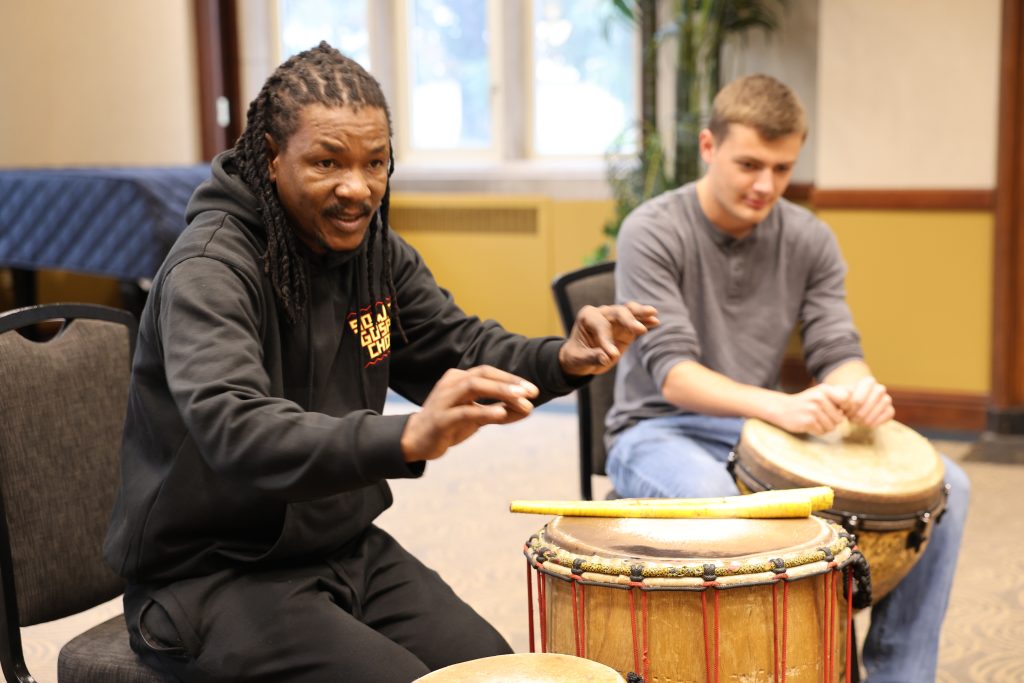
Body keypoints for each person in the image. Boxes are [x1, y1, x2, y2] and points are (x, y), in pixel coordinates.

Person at [103, 42, 657, 683]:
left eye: (376, 163)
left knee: (504, 671)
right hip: (212, 577)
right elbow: (237, 429)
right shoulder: (211, 270)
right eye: (326, 162)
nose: (357, 188)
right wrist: (408, 434)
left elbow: (463, 347)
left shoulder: (373, 254)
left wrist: (564, 357)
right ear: (269, 158)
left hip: (342, 549)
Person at [604, 74, 968, 683]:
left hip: (763, 434)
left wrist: (857, 388)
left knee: (944, 489)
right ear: (708, 147)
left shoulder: (809, 237)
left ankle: (900, 674)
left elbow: (836, 347)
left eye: (782, 167)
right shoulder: (653, 229)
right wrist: (781, 407)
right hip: (658, 431)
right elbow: (674, 377)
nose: (766, 185)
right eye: (750, 164)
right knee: (756, 522)